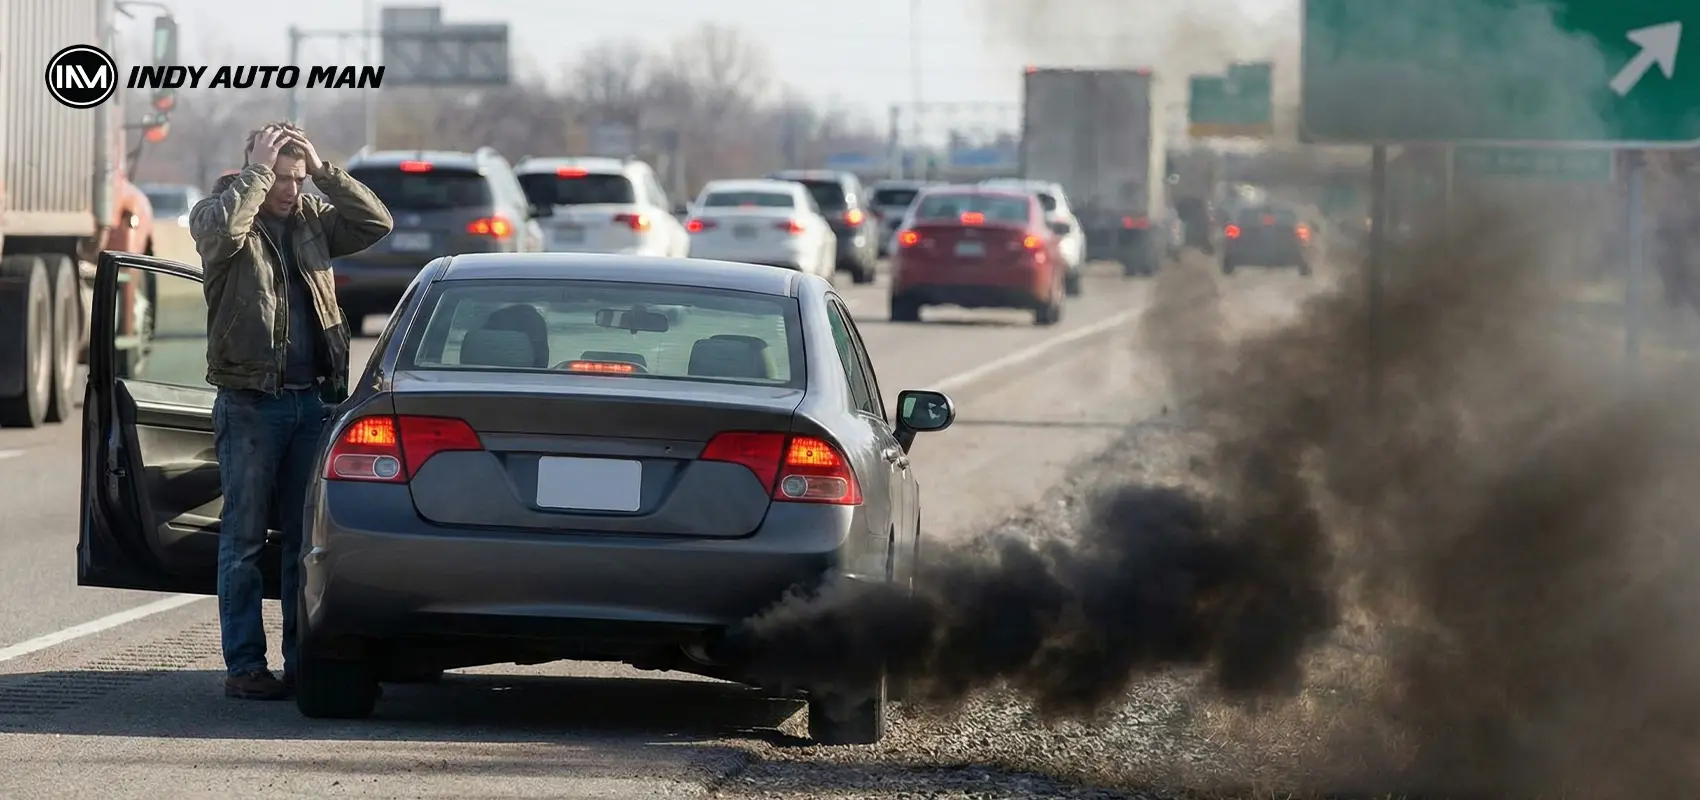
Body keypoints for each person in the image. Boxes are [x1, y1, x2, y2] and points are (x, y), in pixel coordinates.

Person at [188, 122, 393, 700]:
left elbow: (376, 223)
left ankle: (304, 662)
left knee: (306, 543)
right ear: (254, 171)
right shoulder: (220, 216)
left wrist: (324, 169)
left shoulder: (312, 223)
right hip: (251, 402)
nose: (291, 190)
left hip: (314, 402)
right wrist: (257, 170)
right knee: (245, 539)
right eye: (282, 178)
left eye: (298, 179)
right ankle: (245, 667)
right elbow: (222, 231)